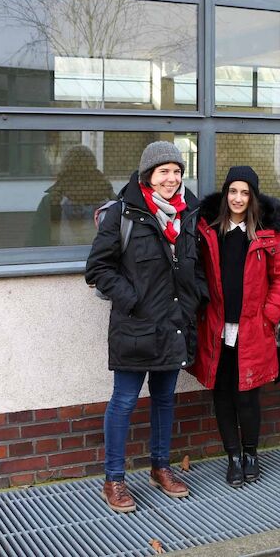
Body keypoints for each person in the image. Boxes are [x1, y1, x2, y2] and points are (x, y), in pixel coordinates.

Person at [85, 141, 207, 512]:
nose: (171, 178)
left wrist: (194, 297)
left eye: (177, 171)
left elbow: (197, 266)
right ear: (148, 176)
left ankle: (161, 467)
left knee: (165, 400)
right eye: (163, 171)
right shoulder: (123, 213)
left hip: (173, 324)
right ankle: (114, 479)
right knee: (123, 401)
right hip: (136, 325)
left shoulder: (190, 213)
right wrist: (132, 299)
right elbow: (97, 269)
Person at [190, 166, 280, 487]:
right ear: (225, 194)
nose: (238, 198)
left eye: (245, 193)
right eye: (233, 192)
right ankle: (233, 457)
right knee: (222, 394)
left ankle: (251, 453)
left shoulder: (267, 234)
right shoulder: (208, 231)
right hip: (217, 330)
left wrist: (268, 316)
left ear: (253, 197)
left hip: (252, 330)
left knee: (247, 396)